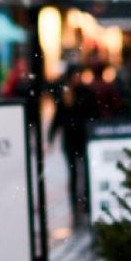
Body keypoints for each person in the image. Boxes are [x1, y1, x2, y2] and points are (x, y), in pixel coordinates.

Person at [49, 66, 98, 217]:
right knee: (74, 172)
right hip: (72, 138)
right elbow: (58, 117)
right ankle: (76, 203)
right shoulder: (66, 94)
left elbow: (93, 113)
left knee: (85, 170)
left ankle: (87, 201)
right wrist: (51, 136)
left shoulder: (85, 92)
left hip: (82, 137)